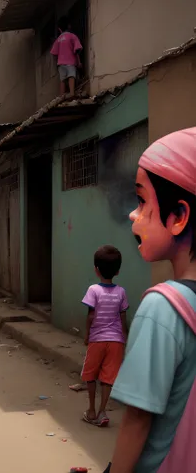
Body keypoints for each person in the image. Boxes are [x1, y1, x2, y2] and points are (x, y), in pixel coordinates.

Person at [106, 128, 196, 473]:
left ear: (178, 217)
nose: (133, 214)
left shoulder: (164, 309)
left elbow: (137, 420)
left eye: (142, 201)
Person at [81, 245, 129, 427]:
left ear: (96, 270)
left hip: (98, 339)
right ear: (117, 271)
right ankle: (103, 411)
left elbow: (91, 315)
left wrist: (87, 335)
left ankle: (91, 410)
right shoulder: (121, 292)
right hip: (116, 341)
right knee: (108, 378)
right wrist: (123, 336)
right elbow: (123, 316)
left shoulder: (93, 290)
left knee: (90, 375)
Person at [50, 16, 82, 97]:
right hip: (70, 62)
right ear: (69, 26)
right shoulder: (72, 36)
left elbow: (54, 53)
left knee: (62, 79)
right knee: (71, 76)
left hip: (60, 63)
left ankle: (62, 96)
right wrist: (79, 62)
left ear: (59, 29)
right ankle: (71, 93)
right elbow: (77, 50)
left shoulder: (58, 39)